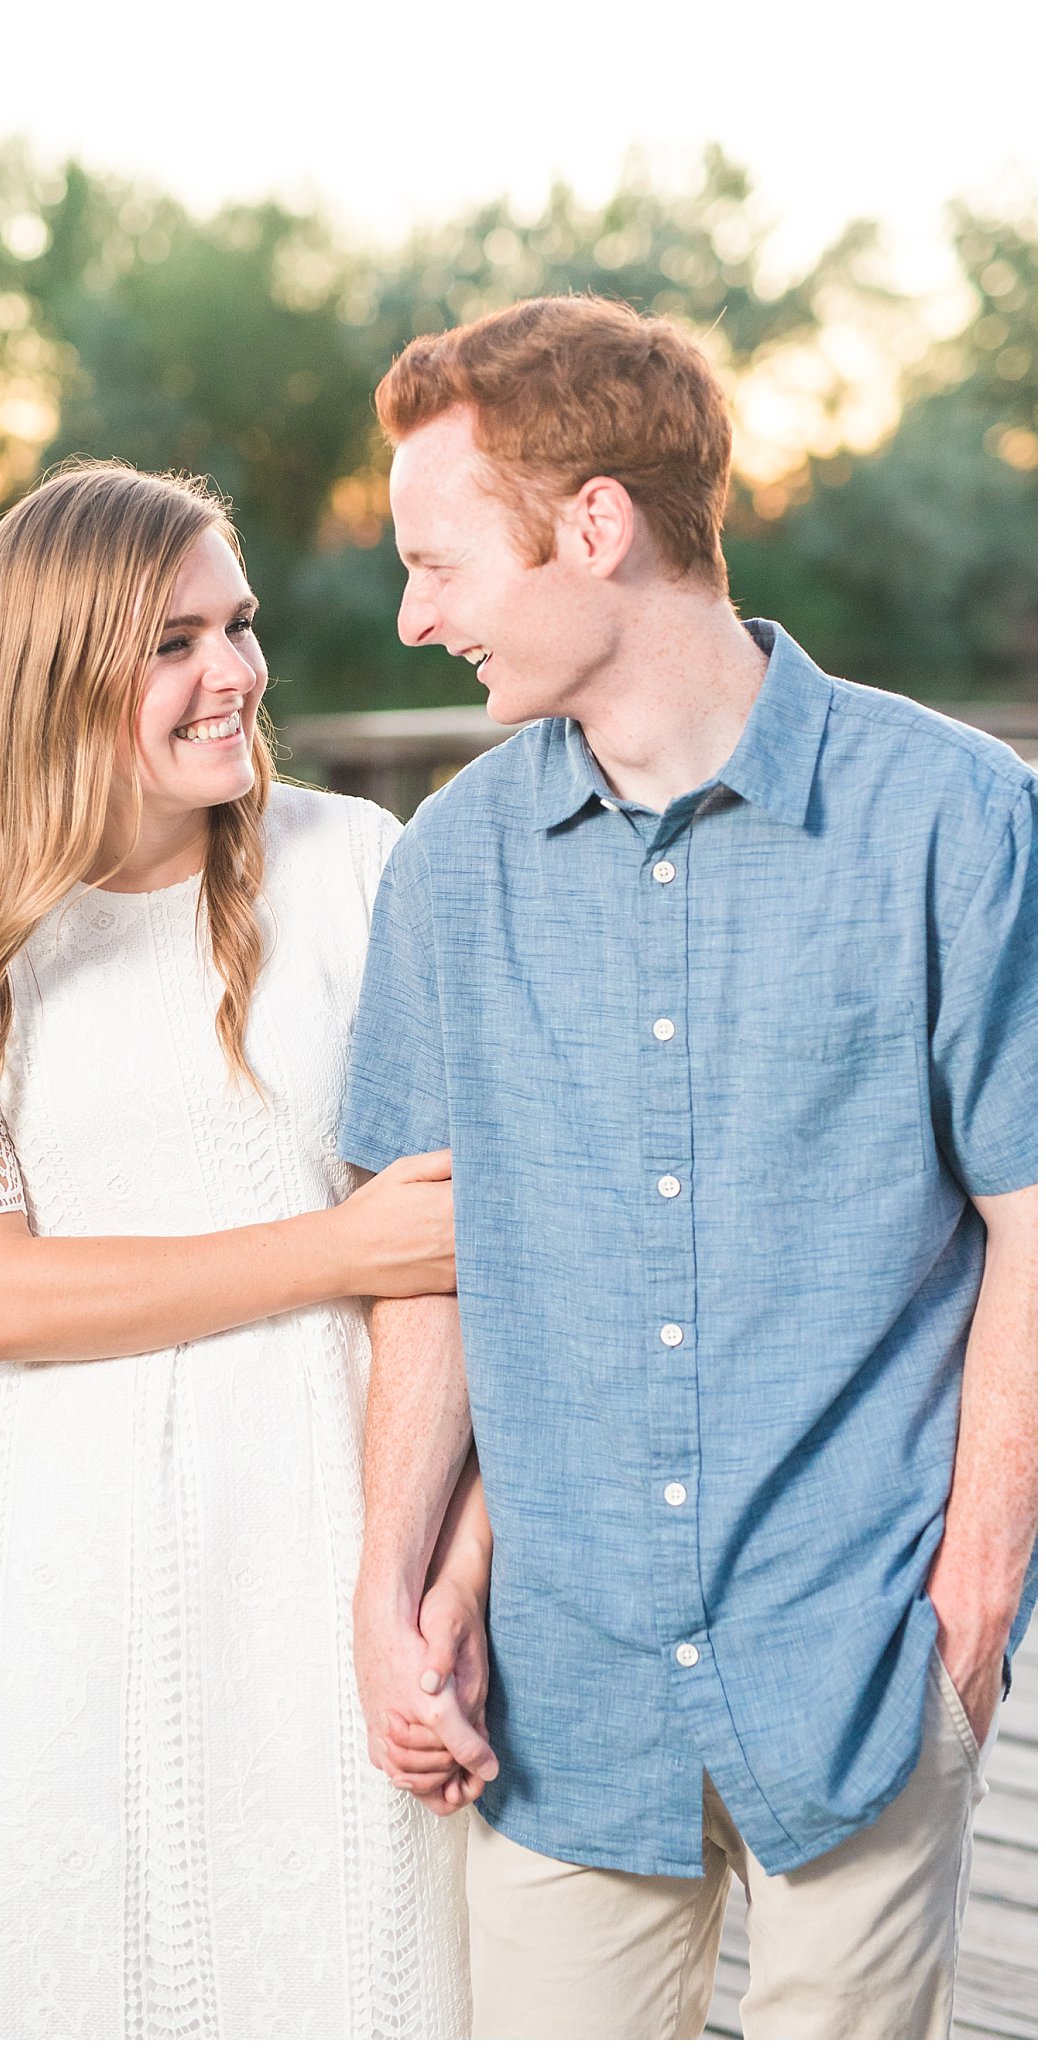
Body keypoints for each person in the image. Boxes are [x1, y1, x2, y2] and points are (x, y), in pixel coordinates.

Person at [341, 296, 1037, 2040]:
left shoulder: (958, 819)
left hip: (863, 1663)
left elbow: (1032, 1225)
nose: (415, 614)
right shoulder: (448, 870)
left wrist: (970, 1605)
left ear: (594, 528)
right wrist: (396, 1580)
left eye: (439, 562)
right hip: (554, 1700)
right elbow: (428, 1263)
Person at [0, 459, 476, 2040]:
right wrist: (337, 1245)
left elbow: (455, 1259)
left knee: (352, 1966)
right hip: (59, 1566)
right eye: (176, 641)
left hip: (329, 1533)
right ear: (57, 669)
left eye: (239, 626)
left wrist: (432, 1578)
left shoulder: (356, 869)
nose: (239, 674)